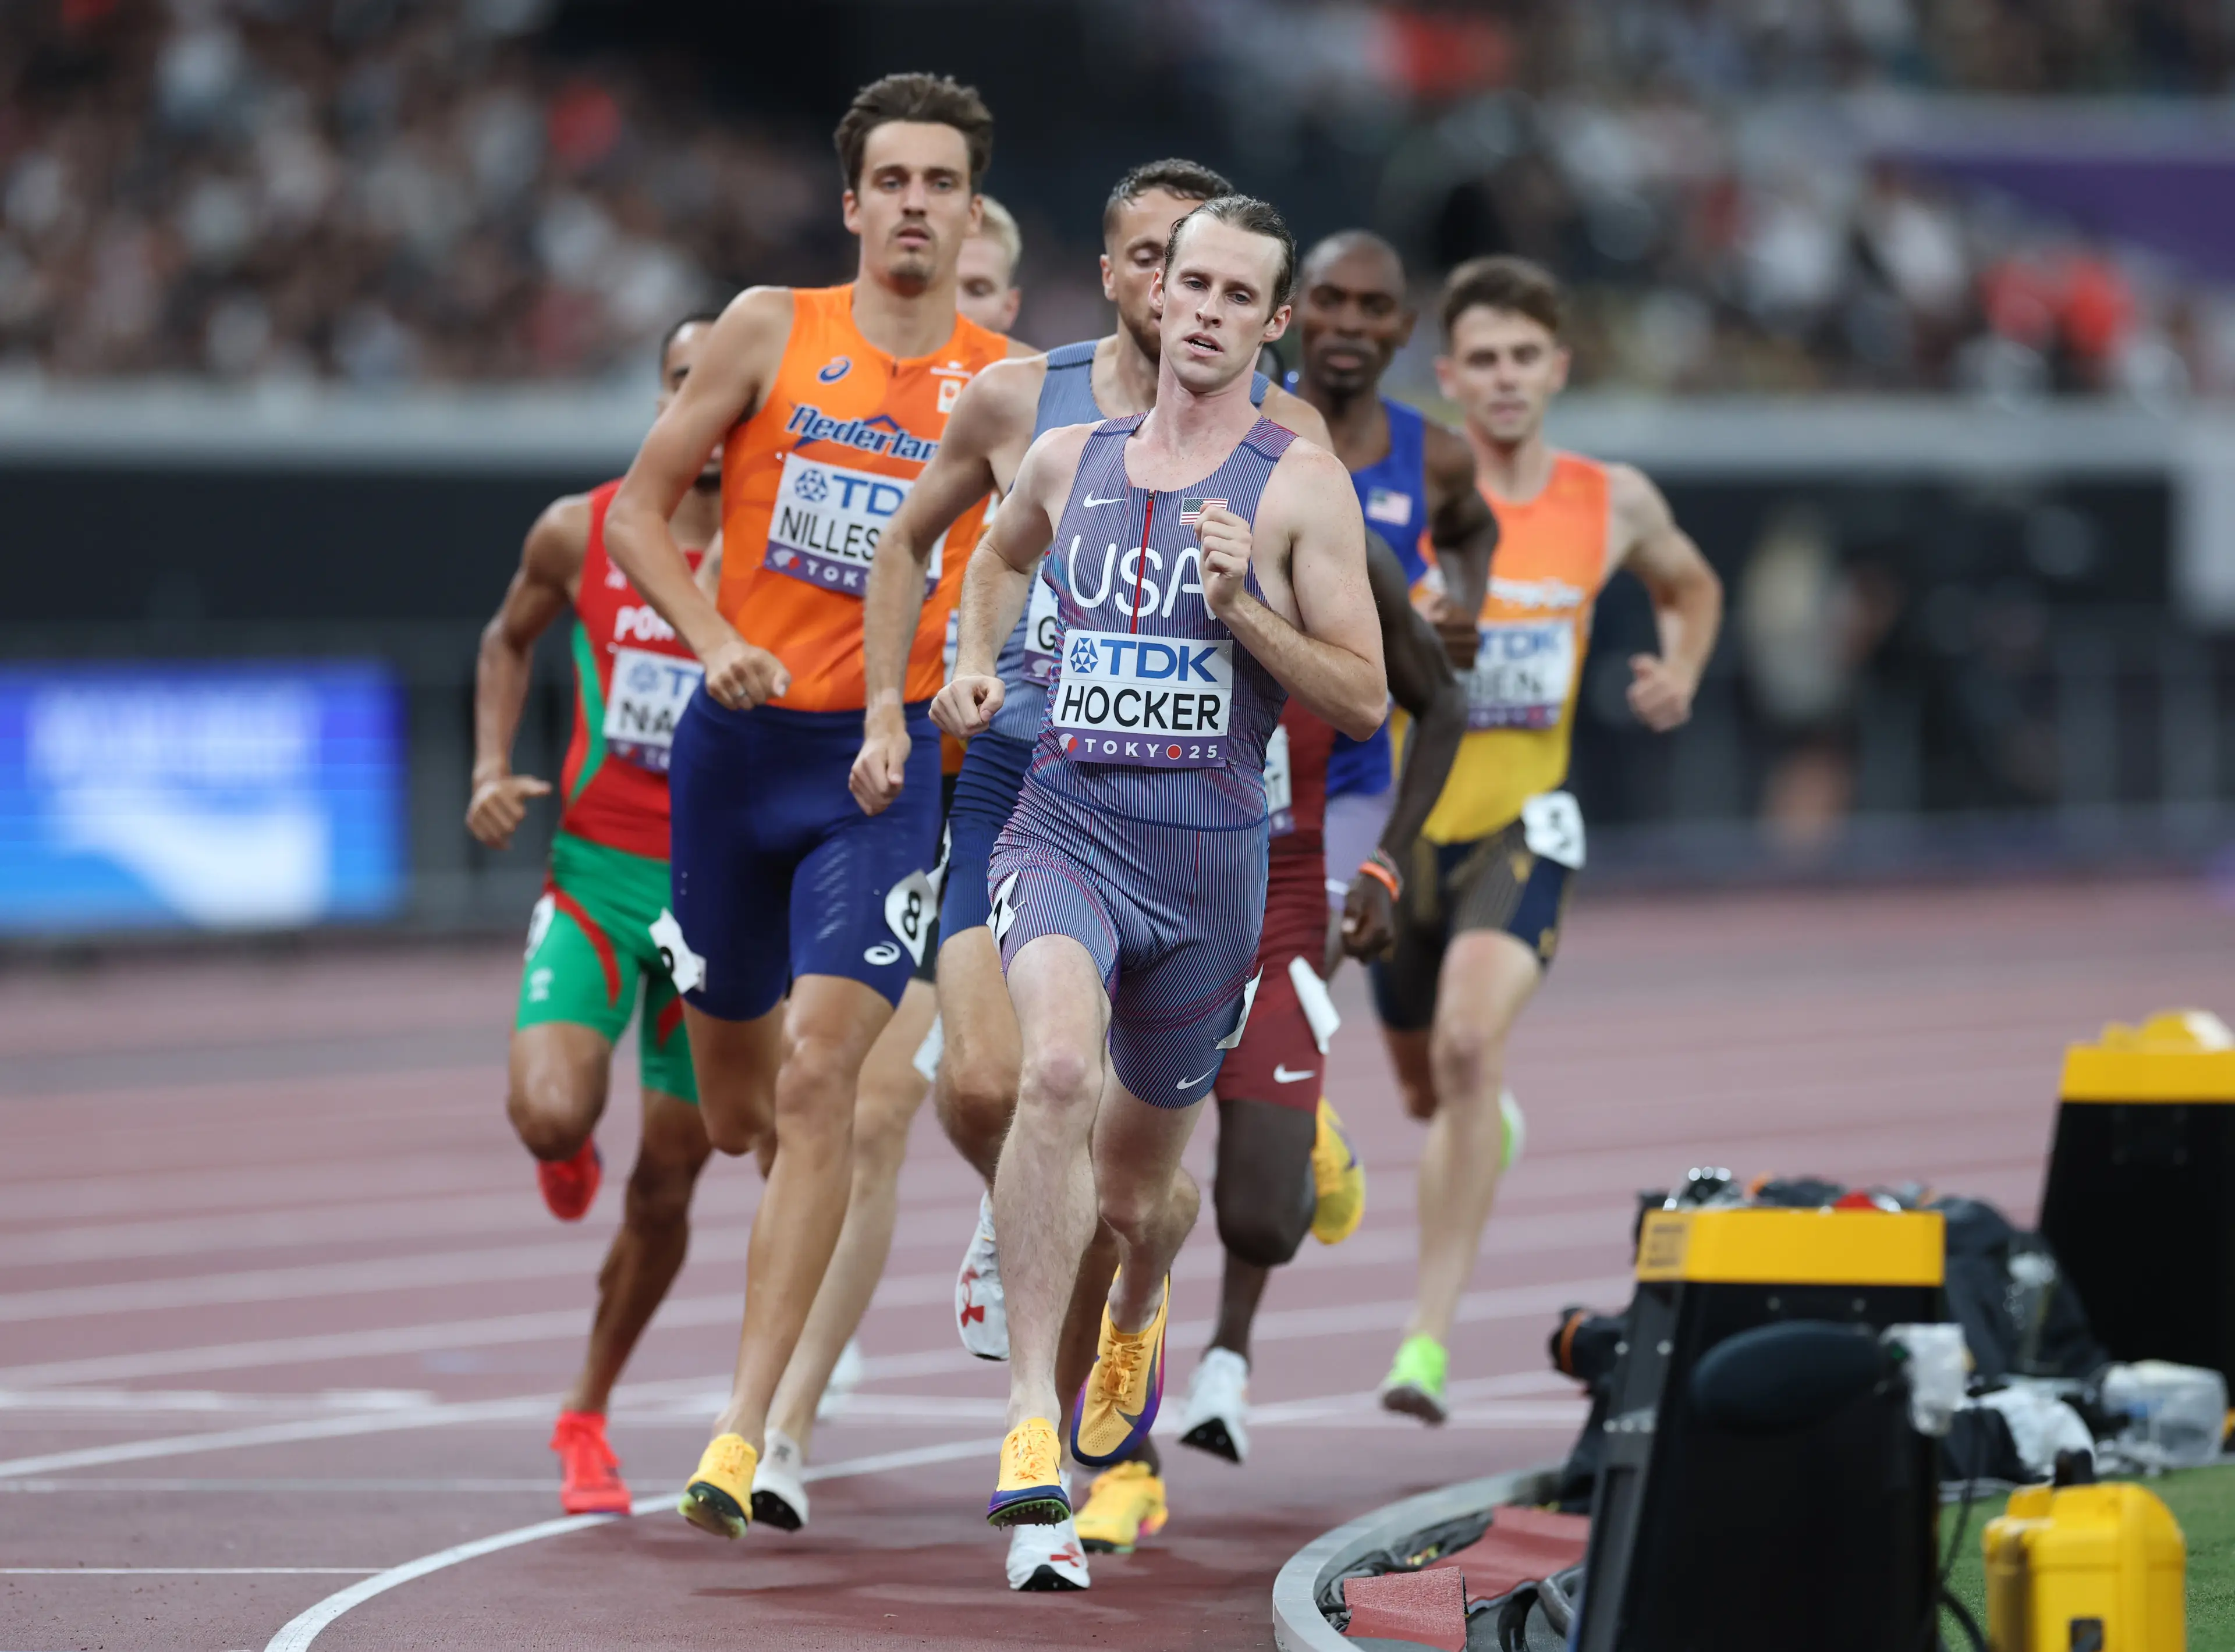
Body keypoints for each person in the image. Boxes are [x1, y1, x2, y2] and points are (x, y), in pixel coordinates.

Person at [847, 157, 1334, 1582]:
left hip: (1211, 862)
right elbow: (989, 556)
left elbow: (1360, 696)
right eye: (1182, 277)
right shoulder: (1058, 444)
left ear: (1268, 321)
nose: (1196, 308)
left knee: (1143, 1194)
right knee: (1044, 1076)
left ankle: (1135, 1292)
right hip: (1057, 819)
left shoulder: (1293, 471)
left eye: (1235, 294)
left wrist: (1245, 607)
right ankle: (1026, 1431)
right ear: (1141, 283)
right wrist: (973, 663)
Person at [601, 71, 1032, 1540]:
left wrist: (965, 679)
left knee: (823, 1082)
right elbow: (638, 508)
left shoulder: (1008, 387)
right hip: (734, 757)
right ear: (853, 204)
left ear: (972, 207)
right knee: (737, 1113)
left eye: (943, 183)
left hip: (882, 767)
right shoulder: (768, 328)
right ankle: (769, 1365)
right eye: (893, 182)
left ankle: (743, 1430)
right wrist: (712, 633)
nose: (917, 205)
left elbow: (1032, 563)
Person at [1372, 255, 1723, 1423]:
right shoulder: (1403, 486)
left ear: (1558, 369)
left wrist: (1677, 668)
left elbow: (1693, 585)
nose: (1507, 377)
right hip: (1402, 827)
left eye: (1527, 356)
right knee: (1429, 1090)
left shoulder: (1607, 496)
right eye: (1483, 358)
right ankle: (1484, 1123)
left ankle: (1424, 1343)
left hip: (1525, 822)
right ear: (1450, 374)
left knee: (1472, 1048)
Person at [742, 193, 1028, 1540]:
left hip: (1010, 803)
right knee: (850, 1106)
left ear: (1012, 302)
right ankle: (783, 1423)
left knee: (973, 1086)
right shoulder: (859, 395)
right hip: (883, 782)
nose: (950, 294)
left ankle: (1006, 1189)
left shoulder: (1047, 427)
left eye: (982, 280)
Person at [464, 313, 725, 1515]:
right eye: (683, 385)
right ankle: (565, 1146)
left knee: (672, 1184)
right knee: (546, 1109)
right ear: (661, 397)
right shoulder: (582, 528)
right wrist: (486, 766)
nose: (704, 414)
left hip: (721, 902)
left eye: (724, 392)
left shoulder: (793, 555)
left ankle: (587, 1413)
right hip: (598, 877)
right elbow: (505, 639)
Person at [1169, 522, 1470, 1465]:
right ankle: (1099, 1427)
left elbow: (1443, 700)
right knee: (1087, 1148)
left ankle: (1229, 1347)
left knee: (1261, 1212)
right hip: (1123, 868)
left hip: (1278, 879)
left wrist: (1384, 865)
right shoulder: (1096, 482)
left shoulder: (1328, 535)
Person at [1280, 230, 1499, 929]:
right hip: (1236, 754)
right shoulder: (1241, 425)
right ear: (1290, 311)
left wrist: (1463, 608)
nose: (1349, 322)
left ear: (1404, 329)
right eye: (1330, 300)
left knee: (1307, 963)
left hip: (1354, 761)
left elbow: (1475, 530)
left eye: (1373, 306)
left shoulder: (1436, 456)